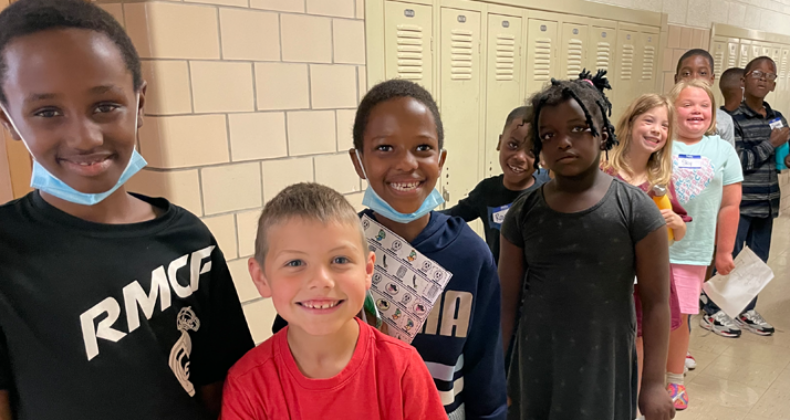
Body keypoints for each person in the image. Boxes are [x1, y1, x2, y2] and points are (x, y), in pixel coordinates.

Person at [0, 0, 254, 418]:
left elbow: (223, 390)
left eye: (105, 106)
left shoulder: (189, 241)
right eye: (47, 112)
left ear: (139, 102)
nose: (84, 137)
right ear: (9, 120)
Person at [273, 79, 508, 419]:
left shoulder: (471, 257)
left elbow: (485, 377)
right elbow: (287, 351)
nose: (406, 163)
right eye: (385, 148)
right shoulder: (326, 254)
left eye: (423, 148)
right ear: (358, 161)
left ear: (441, 159)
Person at [499, 70, 675, 420]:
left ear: (604, 134)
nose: (564, 141)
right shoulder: (523, 213)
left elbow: (656, 303)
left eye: (578, 128)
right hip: (536, 363)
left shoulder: (636, 209)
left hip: (604, 364)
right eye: (549, 134)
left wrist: (654, 383)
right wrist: (497, 373)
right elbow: (506, 302)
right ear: (540, 147)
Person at [221, 183, 446, 420]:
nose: (321, 281)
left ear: (368, 270)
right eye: (295, 263)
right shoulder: (247, 384)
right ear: (261, 277)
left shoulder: (402, 369)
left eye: (339, 259)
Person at [601, 93, 689, 409]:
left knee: (640, 344)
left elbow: (678, 233)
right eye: (648, 120)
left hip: (648, 278)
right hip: (612, 278)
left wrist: (675, 222)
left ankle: (632, 404)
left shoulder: (660, 180)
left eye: (664, 125)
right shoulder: (605, 172)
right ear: (630, 122)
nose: (656, 130)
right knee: (610, 342)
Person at [667, 80, 743, 406]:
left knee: (680, 315)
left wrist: (724, 251)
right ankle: (644, 373)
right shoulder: (660, 143)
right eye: (687, 104)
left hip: (693, 250)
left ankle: (674, 379)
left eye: (704, 106)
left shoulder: (721, 150)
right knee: (645, 314)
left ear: (713, 114)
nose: (696, 110)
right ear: (671, 111)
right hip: (651, 248)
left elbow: (730, 205)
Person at [701, 56, 788, 336]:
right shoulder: (730, 120)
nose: (763, 79)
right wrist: (769, 144)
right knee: (731, 258)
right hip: (738, 203)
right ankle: (714, 313)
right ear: (744, 80)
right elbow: (735, 161)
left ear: (774, 85)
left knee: (757, 262)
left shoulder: (777, 118)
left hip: (768, 200)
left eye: (769, 76)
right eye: (757, 74)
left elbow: (780, 158)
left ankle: (746, 309)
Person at [441, 105, 550, 264]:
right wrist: (418, 219)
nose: (519, 157)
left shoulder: (546, 191)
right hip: (497, 282)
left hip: (534, 284)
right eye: (513, 145)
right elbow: (453, 216)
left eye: (532, 151)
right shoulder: (487, 191)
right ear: (500, 142)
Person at [675, 49, 736, 148]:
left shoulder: (724, 120)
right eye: (686, 73)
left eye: (702, 73)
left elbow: (728, 158)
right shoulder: (664, 114)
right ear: (676, 79)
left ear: (712, 79)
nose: (694, 78)